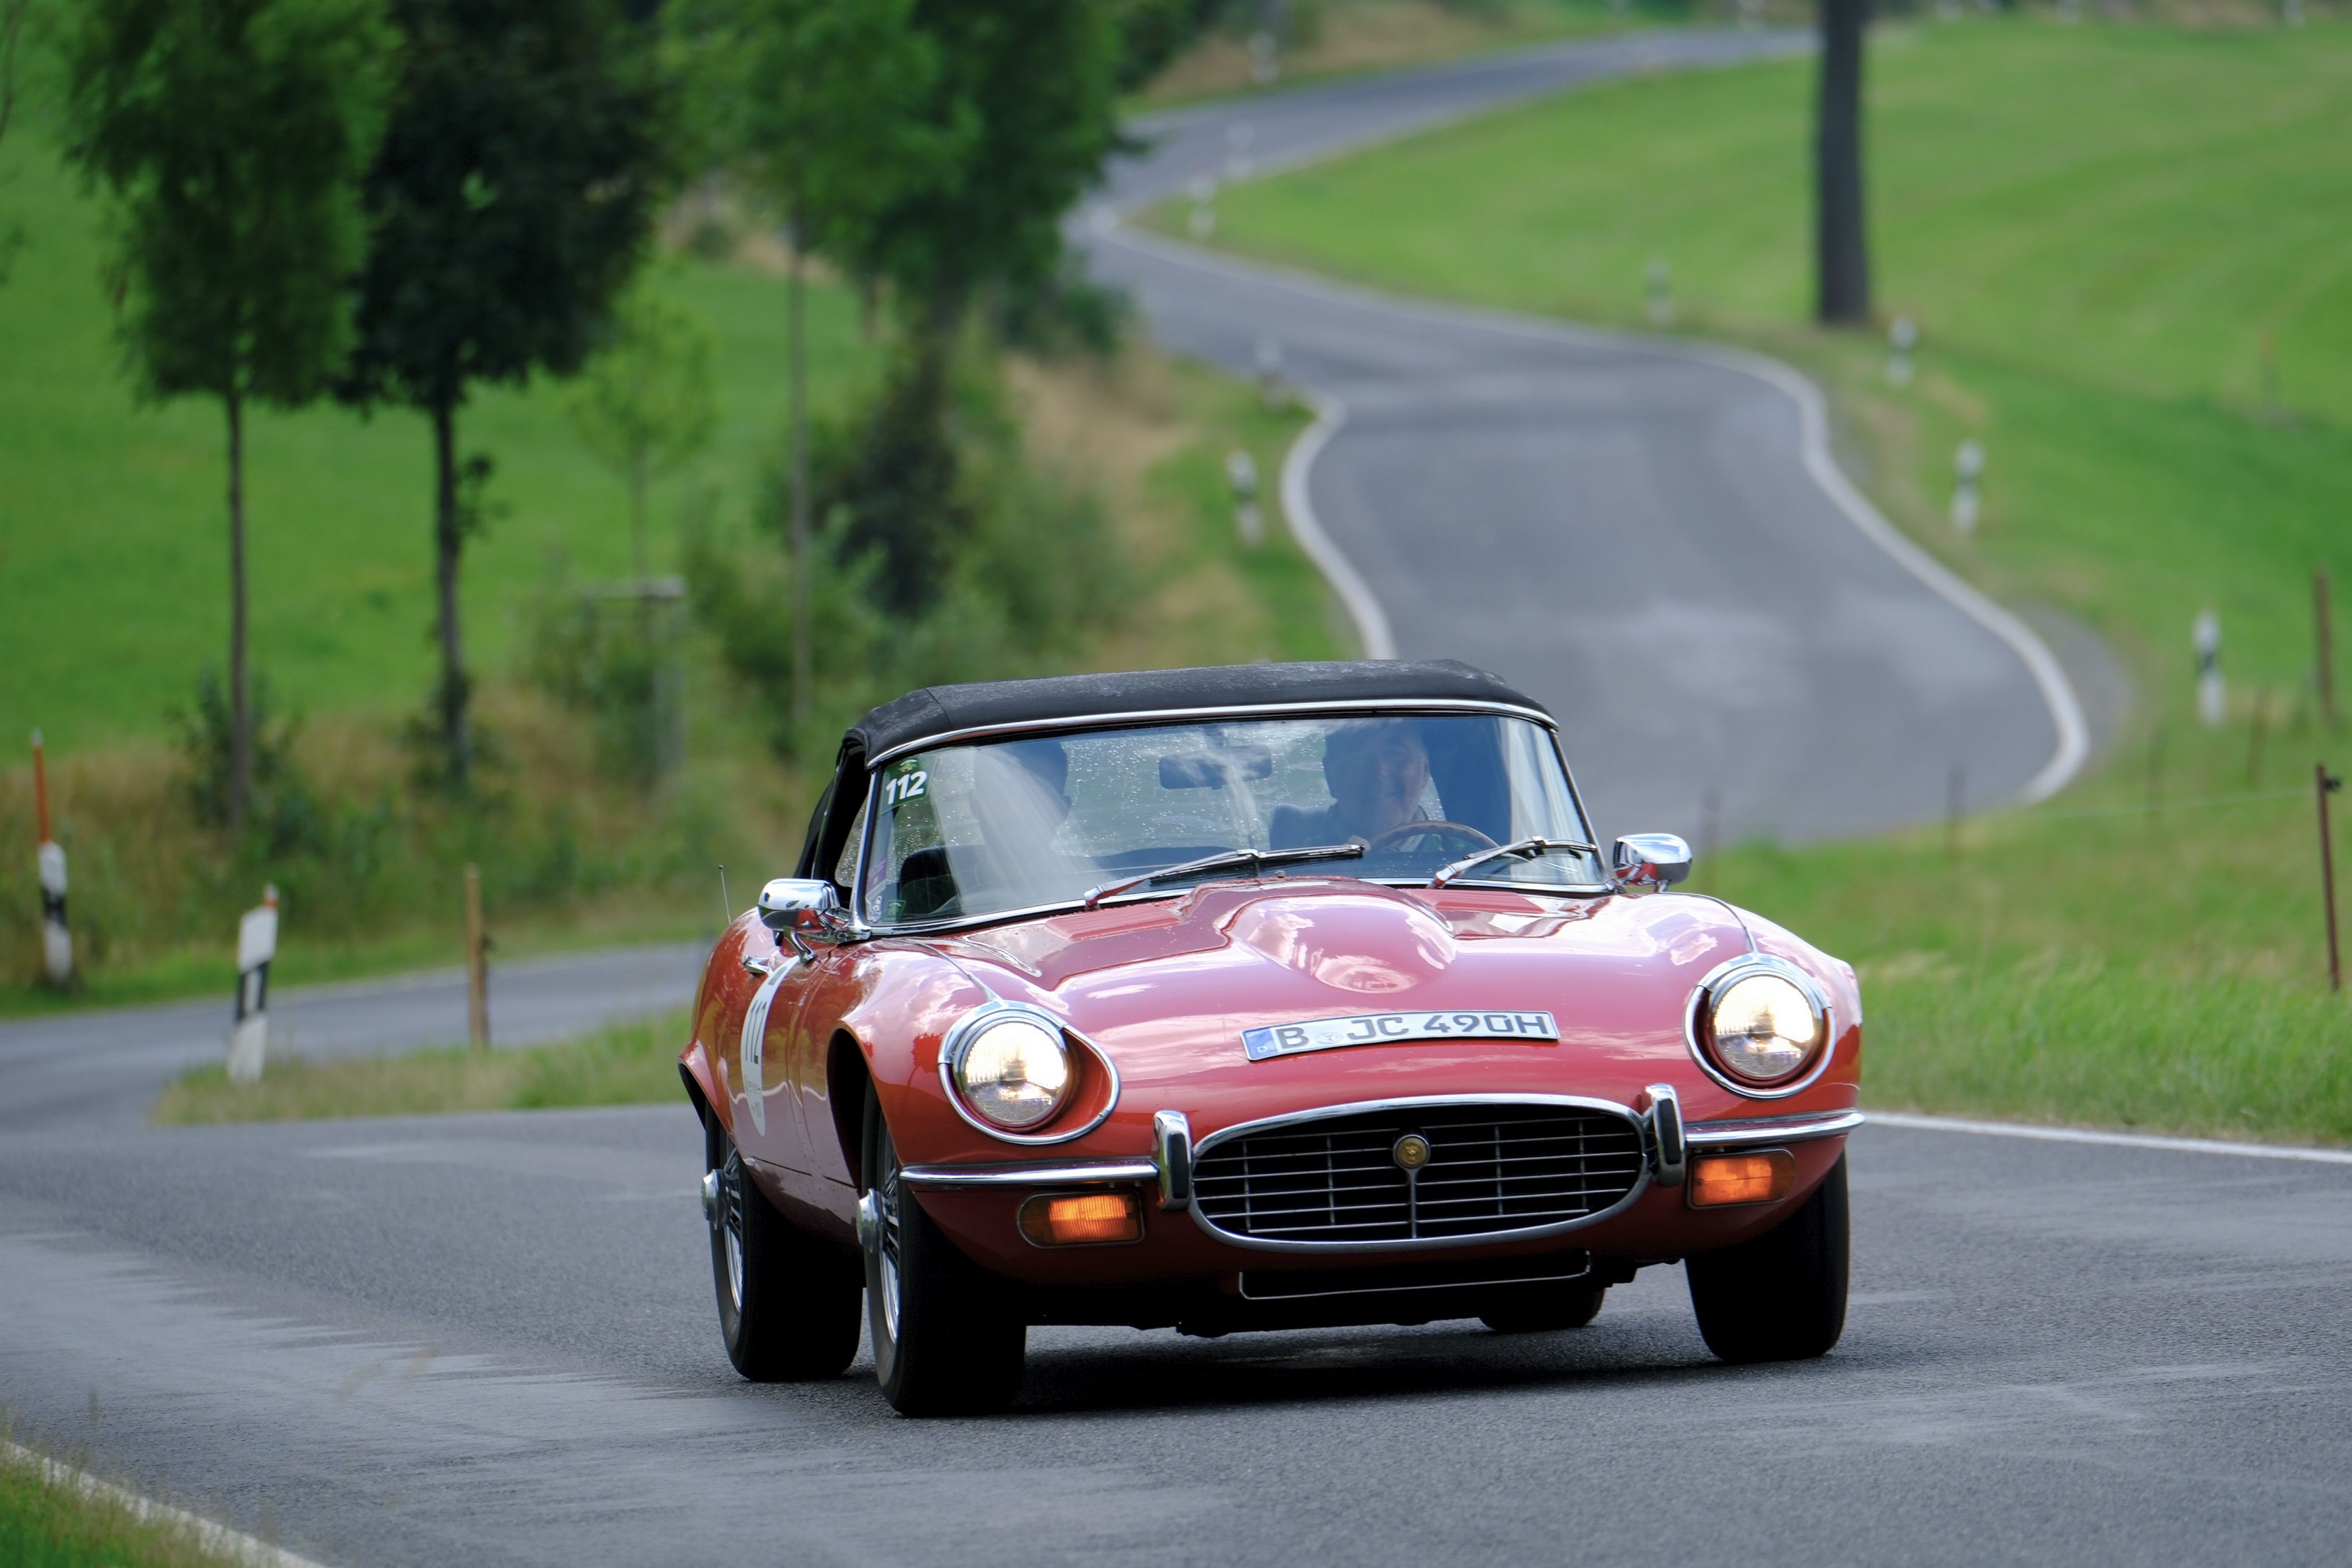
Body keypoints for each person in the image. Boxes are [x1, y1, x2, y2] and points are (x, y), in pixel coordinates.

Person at [1270, 720, 1436, 849]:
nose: (1379, 772)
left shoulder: (1459, 859)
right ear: (1331, 776)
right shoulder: (1299, 868)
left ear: (1425, 770)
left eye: (1395, 754)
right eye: (1358, 758)